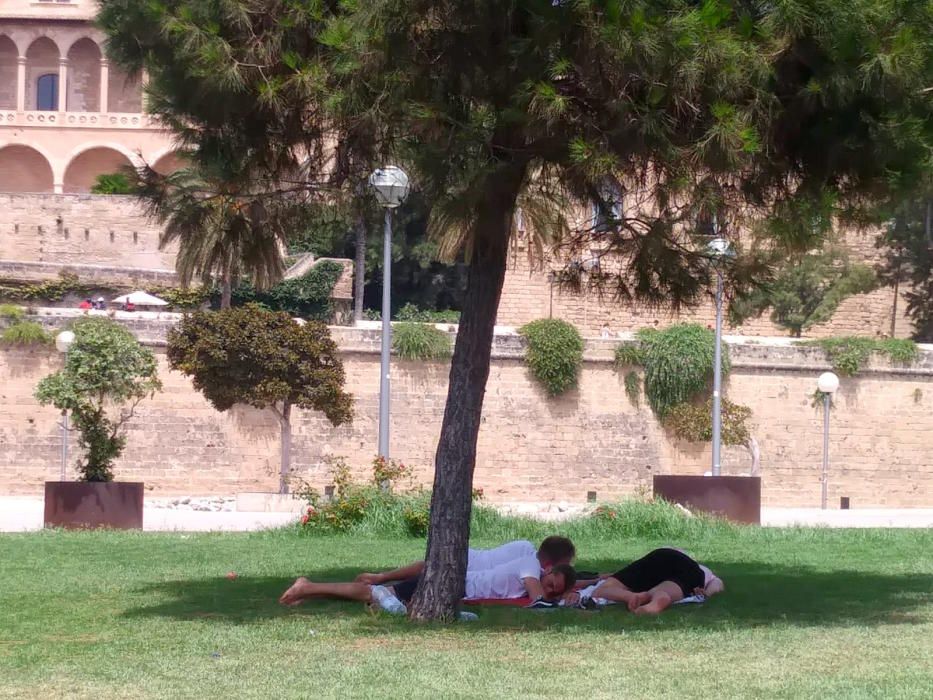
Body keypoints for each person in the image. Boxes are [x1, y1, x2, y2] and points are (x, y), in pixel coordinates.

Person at [279, 559, 577, 613]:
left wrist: (584, 585)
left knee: (376, 599)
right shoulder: (529, 568)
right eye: (551, 582)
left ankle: (311, 590)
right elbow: (539, 602)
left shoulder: (536, 579)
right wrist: (564, 602)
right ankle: (308, 586)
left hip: (455, 586)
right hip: (453, 584)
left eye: (553, 589)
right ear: (547, 571)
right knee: (375, 595)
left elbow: (542, 596)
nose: (547, 589)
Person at [353, 535, 576, 586]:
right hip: (471, 569)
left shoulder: (524, 546)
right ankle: (381, 581)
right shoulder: (530, 566)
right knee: (426, 571)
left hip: (472, 557)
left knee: (425, 570)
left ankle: (382, 579)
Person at [567, 547, 724, 615]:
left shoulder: (671, 553)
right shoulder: (702, 570)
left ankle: (631, 596)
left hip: (658, 557)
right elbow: (718, 584)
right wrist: (706, 594)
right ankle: (654, 600)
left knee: (601, 589)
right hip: (687, 571)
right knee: (664, 591)